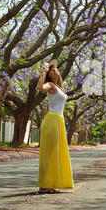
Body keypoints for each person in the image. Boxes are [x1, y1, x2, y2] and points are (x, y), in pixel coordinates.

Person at [36, 59, 74, 194]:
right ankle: (44, 185)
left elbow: (49, 104)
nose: (55, 70)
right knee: (49, 152)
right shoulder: (50, 85)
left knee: (56, 152)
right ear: (49, 74)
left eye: (55, 69)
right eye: (52, 70)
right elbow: (40, 88)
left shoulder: (60, 87)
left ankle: (51, 184)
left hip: (59, 120)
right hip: (53, 120)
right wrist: (43, 73)